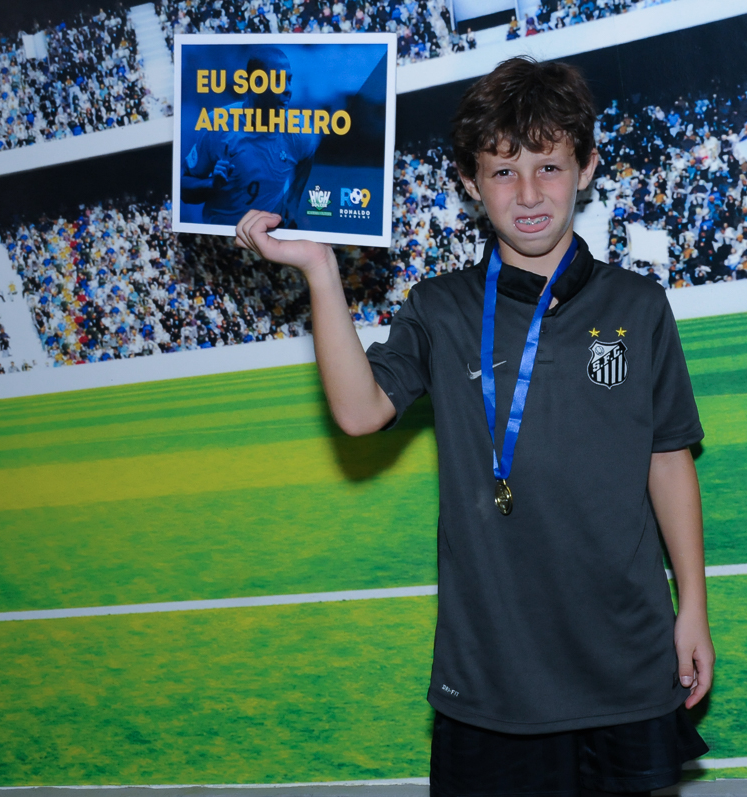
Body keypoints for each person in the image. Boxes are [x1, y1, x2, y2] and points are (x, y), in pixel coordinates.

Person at [233, 57, 714, 796]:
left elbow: (668, 458)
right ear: (468, 182)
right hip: (492, 673)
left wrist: (694, 610)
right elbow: (361, 413)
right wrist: (320, 273)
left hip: (625, 656)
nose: (528, 194)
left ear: (586, 168)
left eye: (549, 167)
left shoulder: (639, 306)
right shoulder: (439, 308)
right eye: (503, 172)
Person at [182, 46, 319, 226]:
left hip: (268, 240)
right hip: (224, 237)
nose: (288, 89)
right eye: (278, 81)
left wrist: (293, 202)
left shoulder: (299, 131)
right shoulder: (217, 123)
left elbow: (307, 158)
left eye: (289, 80)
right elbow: (183, 186)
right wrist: (210, 184)